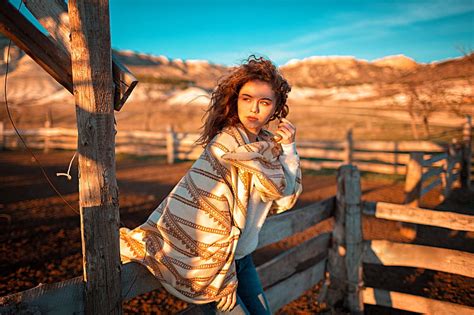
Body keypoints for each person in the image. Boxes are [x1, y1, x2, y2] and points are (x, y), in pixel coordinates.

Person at [120, 55, 302, 314]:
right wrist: (224, 278)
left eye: (264, 102)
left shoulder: (268, 146)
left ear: (276, 108)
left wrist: (288, 148)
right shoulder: (224, 146)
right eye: (247, 99)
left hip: (243, 260)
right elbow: (209, 218)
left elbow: (285, 195)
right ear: (236, 101)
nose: (254, 109)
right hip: (216, 266)